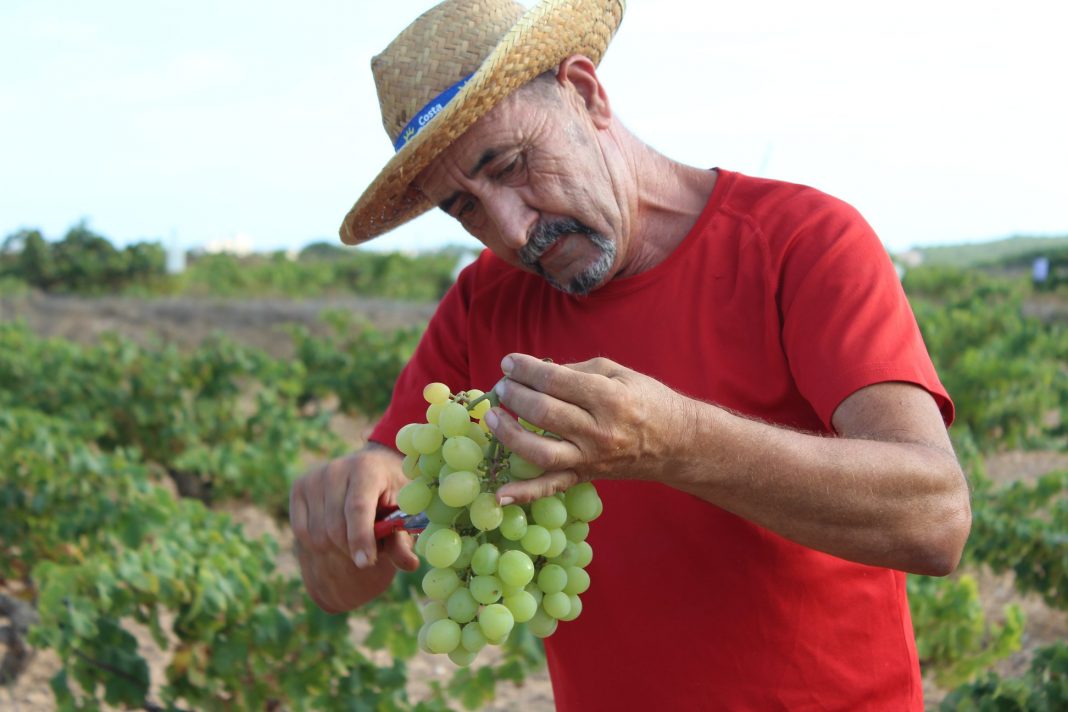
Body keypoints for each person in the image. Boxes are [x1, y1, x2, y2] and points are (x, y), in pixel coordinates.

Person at [288, 0, 972, 708]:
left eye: (514, 164)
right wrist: (339, 521)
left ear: (587, 94)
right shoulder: (482, 304)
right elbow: (344, 584)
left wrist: (678, 442)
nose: (514, 230)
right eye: (465, 210)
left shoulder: (801, 242)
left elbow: (935, 520)